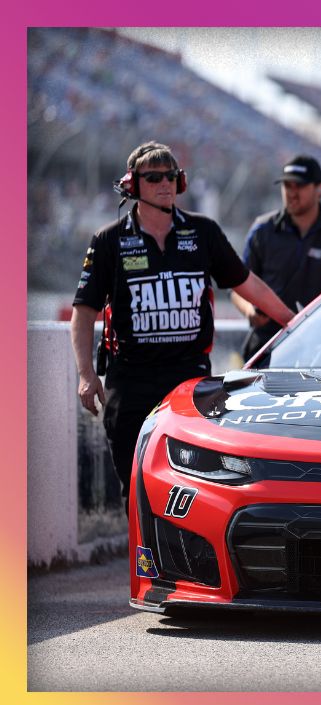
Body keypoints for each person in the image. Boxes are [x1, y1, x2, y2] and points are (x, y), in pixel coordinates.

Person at [71, 141, 295, 509]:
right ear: (132, 185)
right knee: (137, 492)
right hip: (131, 380)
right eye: (154, 176)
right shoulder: (109, 240)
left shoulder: (203, 232)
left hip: (190, 381)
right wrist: (85, 374)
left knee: (194, 489)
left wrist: (291, 320)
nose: (165, 184)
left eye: (172, 176)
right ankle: (144, 566)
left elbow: (247, 283)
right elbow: (83, 313)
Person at [232, 155, 321, 360]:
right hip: (267, 350)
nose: (291, 193)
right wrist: (250, 312)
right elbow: (237, 287)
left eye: (299, 186)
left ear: (320, 189)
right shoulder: (263, 229)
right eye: (287, 186)